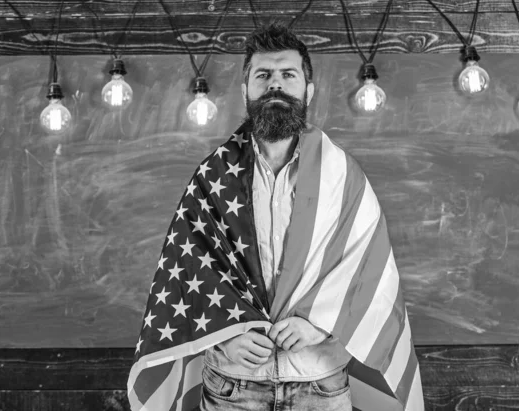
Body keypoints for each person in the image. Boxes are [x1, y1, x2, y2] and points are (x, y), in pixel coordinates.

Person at [127, 22, 423, 411]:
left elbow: (370, 269)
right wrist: (222, 333)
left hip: (319, 382)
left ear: (308, 90)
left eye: (288, 75)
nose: (275, 85)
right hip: (233, 384)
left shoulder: (342, 174)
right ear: (246, 89)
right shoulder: (212, 175)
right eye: (263, 75)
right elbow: (187, 270)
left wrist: (319, 322)